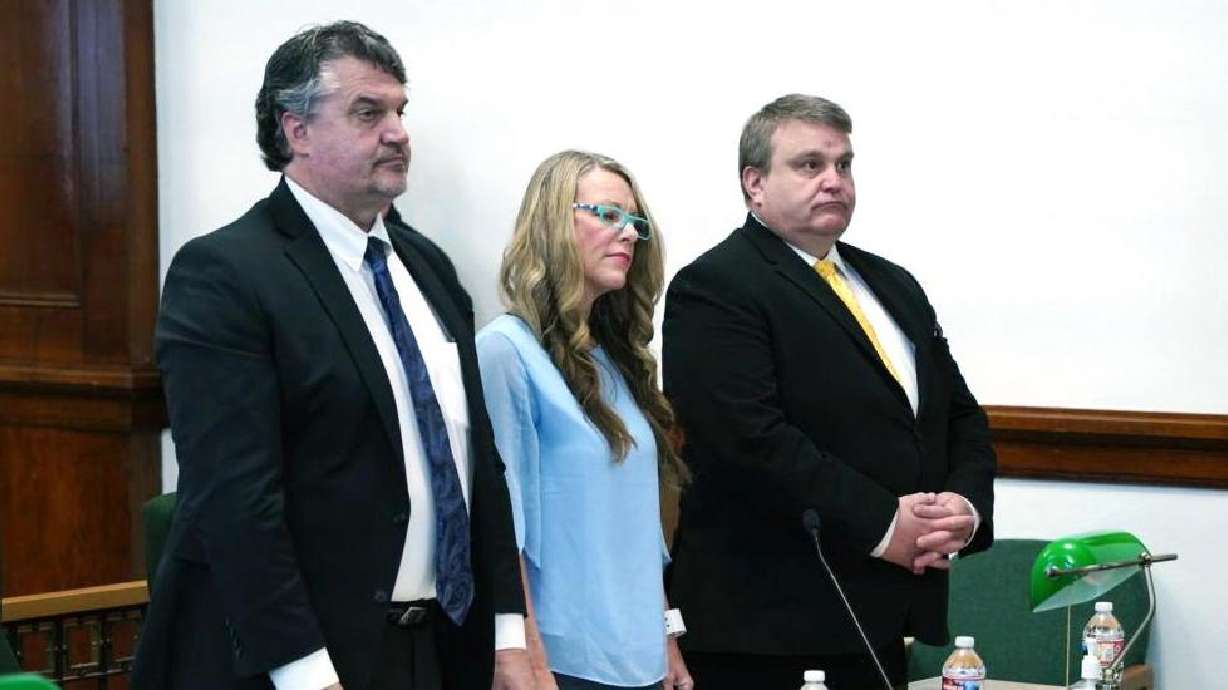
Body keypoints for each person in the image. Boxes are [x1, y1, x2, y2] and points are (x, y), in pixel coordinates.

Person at [132, 21, 532, 690]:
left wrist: (509, 633)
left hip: (436, 645)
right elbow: (236, 497)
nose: (398, 131)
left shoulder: (426, 267)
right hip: (299, 657)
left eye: (401, 110)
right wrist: (303, 669)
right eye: (368, 112)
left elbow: (474, 461)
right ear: (297, 131)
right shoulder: (226, 274)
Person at [662, 94, 997, 689]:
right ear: (754, 183)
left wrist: (962, 510)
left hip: (881, 619)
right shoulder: (714, 286)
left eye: (843, 165)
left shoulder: (892, 283)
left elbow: (960, 417)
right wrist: (884, 525)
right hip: (766, 631)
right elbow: (750, 441)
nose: (834, 181)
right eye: (809, 165)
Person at [476, 151, 693, 690]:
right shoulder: (506, 352)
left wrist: (665, 636)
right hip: (566, 663)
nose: (629, 234)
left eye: (635, 222)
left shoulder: (615, 362)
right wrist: (529, 662)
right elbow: (505, 532)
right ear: (553, 220)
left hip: (640, 659)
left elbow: (636, 526)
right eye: (608, 214)